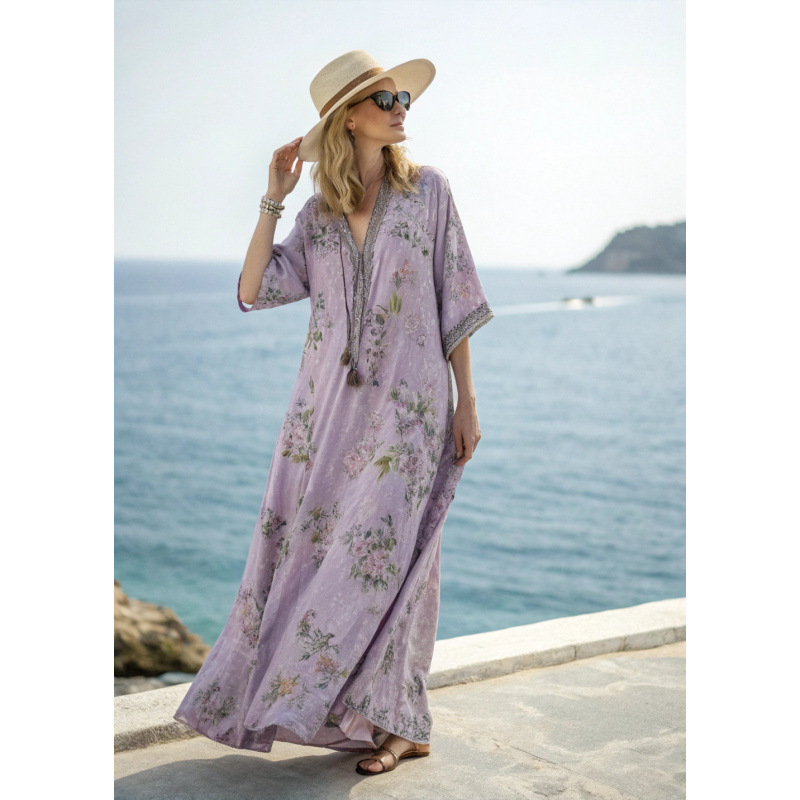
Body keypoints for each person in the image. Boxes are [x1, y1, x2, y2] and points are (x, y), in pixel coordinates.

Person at [173, 49, 494, 776]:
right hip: (322, 420)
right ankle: (355, 712)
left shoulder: (429, 191)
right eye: (386, 99)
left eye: (404, 98)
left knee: (393, 562)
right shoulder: (316, 218)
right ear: (349, 117)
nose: (401, 109)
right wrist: (273, 197)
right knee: (314, 558)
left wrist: (466, 402)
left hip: (410, 414)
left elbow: (456, 300)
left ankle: (402, 720)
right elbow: (254, 289)